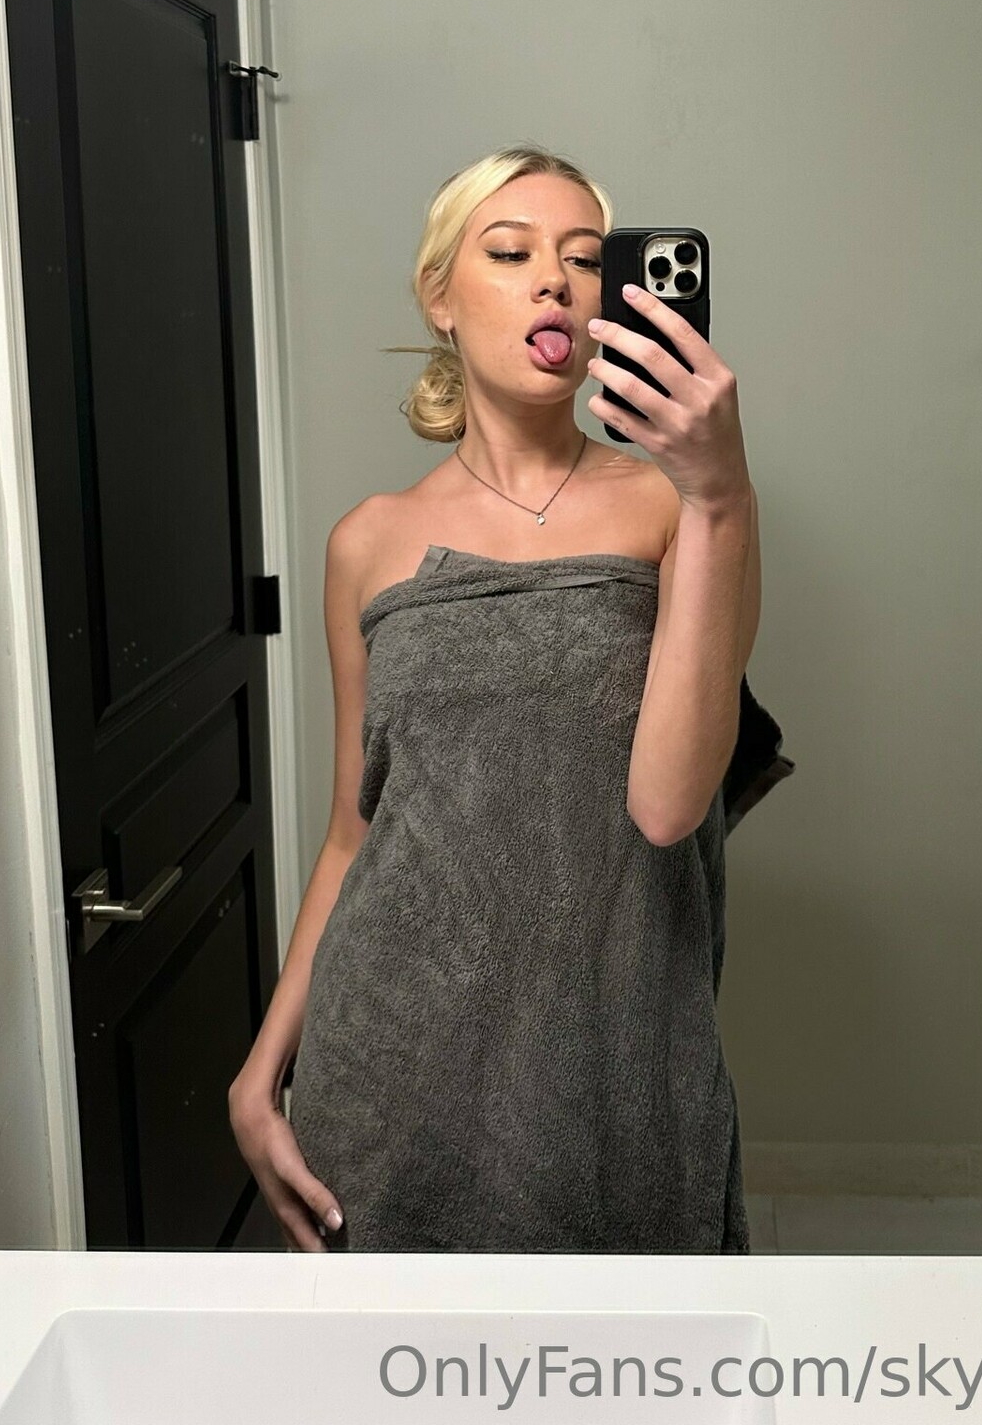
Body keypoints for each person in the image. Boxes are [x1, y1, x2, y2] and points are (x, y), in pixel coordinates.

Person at [228, 143, 761, 1252]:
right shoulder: (367, 541)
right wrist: (261, 1068)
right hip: (390, 1071)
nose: (552, 281)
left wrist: (720, 492)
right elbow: (354, 834)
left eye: (583, 259)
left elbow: (668, 805)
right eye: (510, 253)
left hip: (616, 1070)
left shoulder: (678, 509)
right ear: (441, 298)